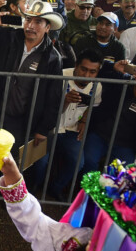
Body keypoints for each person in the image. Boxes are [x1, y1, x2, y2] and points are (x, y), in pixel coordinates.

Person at [0, 1, 64, 189]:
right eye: (28, 20)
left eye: (38, 22)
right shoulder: (9, 37)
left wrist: (43, 128)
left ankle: (7, 193)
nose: (30, 26)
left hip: (25, 117)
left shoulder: (52, 57)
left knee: (14, 158)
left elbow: (53, 96)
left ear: (48, 28)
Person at [83, 60, 136, 170]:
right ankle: (88, 187)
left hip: (126, 145)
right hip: (99, 136)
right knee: (89, 161)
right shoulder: (124, 81)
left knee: (125, 173)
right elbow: (98, 73)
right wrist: (113, 66)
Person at [42, 49, 104, 201]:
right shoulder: (60, 76)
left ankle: (55, 188)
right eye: (83, 69)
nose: (87, 75)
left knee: (78, 162)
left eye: (92, 72)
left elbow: (92, 106)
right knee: (41, 163)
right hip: (49, 127)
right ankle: (33, 189)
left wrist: (83, 121)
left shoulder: (97, 86)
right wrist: (65, 100)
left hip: (71, 130)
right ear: (76, 65)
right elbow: (46, 107)